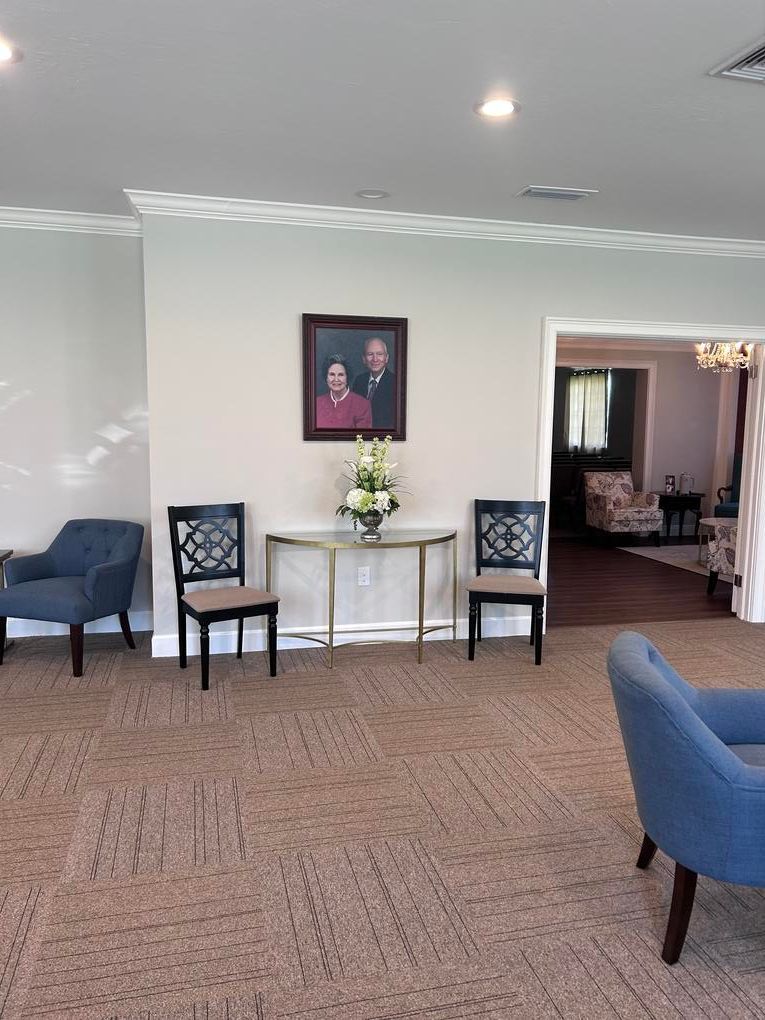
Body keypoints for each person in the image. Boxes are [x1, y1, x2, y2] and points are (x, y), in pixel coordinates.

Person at [316, 354, 372, 429]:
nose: (336, 379)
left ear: (347, 377)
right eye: (332, 374)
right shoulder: (316, 403)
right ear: (326, 378)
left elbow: (362, 439)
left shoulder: (362, 405)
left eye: (341, 375)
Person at [351, 337, 396, 429]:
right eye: (370, 354)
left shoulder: (396, 383)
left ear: (386, 358)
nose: (375, 359)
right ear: (364, 359)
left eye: (379, 354)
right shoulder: (359, 380)